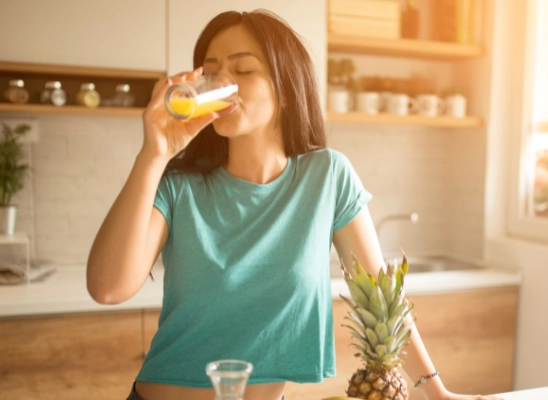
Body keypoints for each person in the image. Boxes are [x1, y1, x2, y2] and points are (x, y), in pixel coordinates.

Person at [87, 9, 503, 400]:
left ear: (285, 88)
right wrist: (154, 153)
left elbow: (379, 299)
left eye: (244, 69)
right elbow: (107, 288)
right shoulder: (179, 186)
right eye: (210, 71)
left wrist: (436, 391)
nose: (221, 81)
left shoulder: (327, 177)